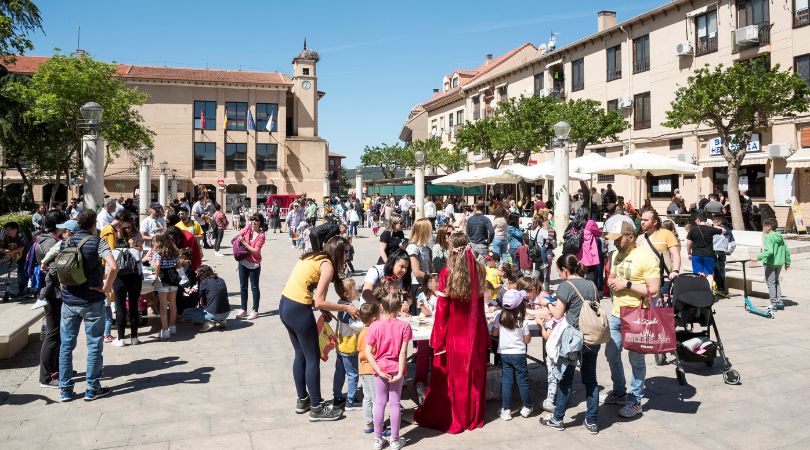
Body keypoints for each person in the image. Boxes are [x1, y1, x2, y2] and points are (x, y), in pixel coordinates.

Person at [415, 232, 489, 434]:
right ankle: (472, 416)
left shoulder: (447, 273)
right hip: (476, 333)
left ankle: (457, 417)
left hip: (454, 335)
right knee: (473, 377)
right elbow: (481, 308)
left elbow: (442, 311)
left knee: (453, 379)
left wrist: (437, 338)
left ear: (451, 249)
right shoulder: (480, 270)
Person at [279, 236, 358, 421]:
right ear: (338, 252)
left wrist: (323, 309)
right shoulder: (328, 266)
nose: (347, 256)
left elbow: (310, 290)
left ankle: (303, 400)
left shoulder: (315, 257)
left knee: (300, 354)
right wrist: (346, 307)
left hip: (285, 305)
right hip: (299, 309)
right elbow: (319, 300)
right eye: (346, 252)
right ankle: (316, 407)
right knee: (312, 358)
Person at [537, 254, 601, 433]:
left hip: (573, 340)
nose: (560, 274)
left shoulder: (566, 286)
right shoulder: (591, 284)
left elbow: (558, 314)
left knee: (565, 379)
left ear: (565, 270)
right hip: (591, 337)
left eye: (559, 271)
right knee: (591, 380)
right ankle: (592, 421)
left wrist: (546, 304)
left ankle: (557, 419)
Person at [603, 220, 660, 418]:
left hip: (637, 314)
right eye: (614, 240)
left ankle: (635, 400)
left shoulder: (645, 257)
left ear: (631, 237)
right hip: (617, 313)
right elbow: (613, 275)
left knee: (636, 360)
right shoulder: (617, 254)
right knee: (611, 353)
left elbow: (653, 290)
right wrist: (611, 281)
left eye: (618, 239)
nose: (615, 243)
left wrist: (626, 284)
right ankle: (619, 392)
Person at [58, 210, 118, 402]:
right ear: (94, 224)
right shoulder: (97, 241)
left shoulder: (66, 241)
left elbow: (60, 266)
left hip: (69, 300)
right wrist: (106, 287)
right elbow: (113, 266)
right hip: (92, 299)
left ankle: (65, 389)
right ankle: (92, 388)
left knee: (66, 346)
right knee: (94, 344)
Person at [365, 291, 411, 450]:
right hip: (395, 369)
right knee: (395, 404)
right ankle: (395, 440)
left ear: (382, 307)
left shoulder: (375, 326)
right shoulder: (405, 326)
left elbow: (368, 352)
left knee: (379, 402)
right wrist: (400, 372)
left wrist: (377, 369)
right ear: (399, 308)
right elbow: (403, 352)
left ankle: (378, 439)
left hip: (380, 369)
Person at [99, 211, 143, 347]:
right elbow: (140, 267)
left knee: (120, 307)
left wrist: (107, 282)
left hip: (119, 280)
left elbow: (109, 269)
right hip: (135, 279)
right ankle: (134, 337)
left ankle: (121, 338)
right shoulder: (136, 251)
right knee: (134, 306)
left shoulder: (114, 253)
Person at [35, 213, 66, 388]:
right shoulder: (51, 243)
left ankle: (55, 368)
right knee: (52, 335)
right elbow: (53, 269)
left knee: (56, 334)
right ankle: (45, 377)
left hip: (52, 293)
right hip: (53, 293)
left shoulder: (44, 239)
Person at [493, 289, 532, 421]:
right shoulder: (523, 320)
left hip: (505, 354)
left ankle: (506, 410)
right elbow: (527, 340)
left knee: (507, 382)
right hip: (519, 354)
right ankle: (527, 407)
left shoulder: (499, 317)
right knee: (523, 382)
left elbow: (494, 334)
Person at [332, 278, 362, 410]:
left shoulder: (341, 303)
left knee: (340, 372)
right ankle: (351, 400)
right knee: (353, 374)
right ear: (347, 294)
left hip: (341, 345)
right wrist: (367, 324)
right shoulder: (347, 309)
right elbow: (356, 325)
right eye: (354, 289)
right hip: (349, 346)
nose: (356, 291)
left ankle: (337, 398)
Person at [637, 209, 681, 297]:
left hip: (663, 279)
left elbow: (676, 255)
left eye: (646, 220)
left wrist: (675, 271)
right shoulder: (640, 238)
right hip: (644, 279)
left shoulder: (666, 234)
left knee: (662, 309)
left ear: (655, 222)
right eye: (642, 220)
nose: (642, 222)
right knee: (646, 308)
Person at [752, 218, 791, 312]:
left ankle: (773, 304)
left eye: (764, 226)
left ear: (769, 227)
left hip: (770, 263)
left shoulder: (768, 236)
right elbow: (786, 250)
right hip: (779, 263)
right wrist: (787, 262)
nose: (764, 228)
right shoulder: (780, 236)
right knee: (776, 281)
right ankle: (779, 301)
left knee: (771, 283)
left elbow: (769, 251)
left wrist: (757, 257)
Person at [150, 231, 181, 339]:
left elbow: (157, 264)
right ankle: (173, 327)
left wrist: (155, 277)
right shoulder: (174, 251)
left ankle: (165, 330)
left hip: (163, 278)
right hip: (173, 277)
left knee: (163, 306)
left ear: (159, 241)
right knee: (173, 304)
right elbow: (179, 265)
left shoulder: (158, 253)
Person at [235, 213, 266, 320]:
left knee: (254, 288)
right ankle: (244, 309)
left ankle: (255, 310)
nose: (253, 222)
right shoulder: (248, 229)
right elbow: (238, 235)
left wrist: (244, 242)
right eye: (252, 220)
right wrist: (244, 231)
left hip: (254, 264)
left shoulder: (261, 235)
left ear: (260, 222)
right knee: (243, 287)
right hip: (243, 262)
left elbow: (256, 252)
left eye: (256, 220)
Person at [181, 264, 230, 331]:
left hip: (213, 314)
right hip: (227, 312)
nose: (196, 276)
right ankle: (222, 320)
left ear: (202, 274)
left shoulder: (204, 282)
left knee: (186, 312)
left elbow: (198, 297)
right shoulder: (221, 280)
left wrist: (189, 292)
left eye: (197, 274)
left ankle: (210, 321)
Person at [357, 302, 381, 434]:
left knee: (367, 398)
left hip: (363, 370)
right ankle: (378, 425)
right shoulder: (373, 334)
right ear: (374, 319)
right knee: (377, 400)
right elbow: (375, 352)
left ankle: (368, 423)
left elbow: (358, 349)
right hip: (372, 370)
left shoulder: (361, 333)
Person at [687, 212, 724, 287]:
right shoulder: (710, 229)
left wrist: (689, 252)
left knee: (697, 274)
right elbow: (723, 230)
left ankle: (698, 291)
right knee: (709, 274)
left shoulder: (693, 229)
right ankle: (709, 292)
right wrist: (711, 225)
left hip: (696, 254)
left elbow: (688, 243)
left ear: (698, 220)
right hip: (708, 255)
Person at [405, 219, 432, 300]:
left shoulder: (424, 246)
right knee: (420, 310)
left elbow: (429, 265)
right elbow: (416, 272)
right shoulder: (413, 247)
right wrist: (433, 279)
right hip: (417, 286)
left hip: (426, 283)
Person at [1, 221, 30, 297]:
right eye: (6, 230)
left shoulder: (21, 236)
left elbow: (21, 248)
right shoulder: (7, 237)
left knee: (22, 273)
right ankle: (23, 290)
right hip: (16, 258)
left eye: (8, 229)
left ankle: (25, 290)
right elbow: (3, 248)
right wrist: (6, 251)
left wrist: (10, 252)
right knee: (21, 274)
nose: (7, 231)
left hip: (25, 257)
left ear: (15, 230)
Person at [712, 214, 734, 299]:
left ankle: (719, 288)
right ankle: (721, 288)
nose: (713, 224)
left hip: (713, 251)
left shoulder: (713, 230)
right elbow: (733, 243)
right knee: (721, 270)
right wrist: (729, 251)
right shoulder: (728, 231)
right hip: (722, 252)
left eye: (714, 222)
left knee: (715, 270)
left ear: (719, 222)